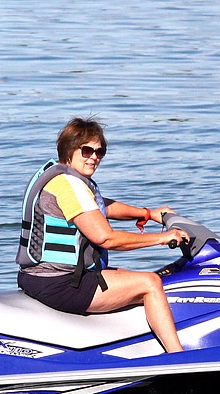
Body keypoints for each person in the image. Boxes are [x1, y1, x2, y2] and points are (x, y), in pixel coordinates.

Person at [15, 116, 187, 353]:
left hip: (40, 276)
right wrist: (161, 238)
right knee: (150, 283)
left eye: (100, 151)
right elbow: (105, 238)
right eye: (86, 150)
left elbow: (100, 206)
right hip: (59, 282)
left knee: (127, 275)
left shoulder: (61, 176)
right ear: (69, 150)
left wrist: (148, 214)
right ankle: (177, 357)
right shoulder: (70, 186)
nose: (94, 157)